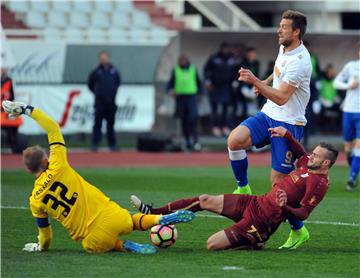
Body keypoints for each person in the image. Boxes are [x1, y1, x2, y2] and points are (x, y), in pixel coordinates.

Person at [2, 100, 195, 254]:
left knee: (90, 245)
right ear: (46, 158)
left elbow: (46, 236)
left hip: (94, 235)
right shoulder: (58, 164)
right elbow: (53, 127)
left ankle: (124, 245)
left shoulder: (35, 200)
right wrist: (26, 109)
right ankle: (159, 219)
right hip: (111, 214)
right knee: (133, 221)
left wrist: (40, 247)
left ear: (28, 170)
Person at [131, 126, 338, 250]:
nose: (311, 156)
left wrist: (286, 208)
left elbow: (303, 213)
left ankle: (253, 243)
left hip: (262, 222)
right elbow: (301, 153)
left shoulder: (318, 184)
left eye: (317, 156)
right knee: (204, 199)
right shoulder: (307, 164)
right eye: (314, 153)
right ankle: (154, 213)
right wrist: (287, 136)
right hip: (256, 202)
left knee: (211, 244)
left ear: (326, 164)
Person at [228, 10, 312, 248]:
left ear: (296, 32)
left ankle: (299, 231)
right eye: (280, 25)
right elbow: (278, 73)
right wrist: (264, 82)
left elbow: (283, 98)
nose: (279, 30)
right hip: (268, 116)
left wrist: (255, 81)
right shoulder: (285, 48)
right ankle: (243, 187)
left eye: (284, 27)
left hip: (288, 125)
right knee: (235, 140)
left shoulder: (300, 62)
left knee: (279, 187)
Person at [333, 45, 360, 191]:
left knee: (359, 146)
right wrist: (349, 85)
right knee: (348, 147)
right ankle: (354, 164)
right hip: (349, 110)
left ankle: (352, 178)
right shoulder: (351, 66)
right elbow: (336, 82)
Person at [167, 55, 203, 151]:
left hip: (191, 97)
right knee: (184, 120)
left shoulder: (192, 69)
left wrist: (200, 93)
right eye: (181, 61)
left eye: (184, 60)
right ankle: (187, 140)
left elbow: (198, 82)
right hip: (180, 97)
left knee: (192, 119)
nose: (182, 62)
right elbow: (170, 83)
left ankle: (195, 141)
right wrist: (170, 91)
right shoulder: (176, 70)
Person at [88, 51, 121, 151]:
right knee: (97, 124)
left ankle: (112, 144)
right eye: (102, 58)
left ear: (108, 58)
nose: (104, 59)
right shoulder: (96, 72)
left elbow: (118, 82)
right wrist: (98, 93)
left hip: (111, 102)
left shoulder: (114, 71)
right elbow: (90, 84)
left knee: (110, 125)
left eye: (105, 57)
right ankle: (95, 144)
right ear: (99, 59)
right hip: (100, 103)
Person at [204, 42, 236, 137]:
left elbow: (236, 71)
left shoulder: (231, 59)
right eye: (224, 48)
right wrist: (208, 82)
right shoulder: (214, 58)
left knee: (225, 109)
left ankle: (225, 126)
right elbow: (206, 70)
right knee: (215, 109)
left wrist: (235, 82)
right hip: (215, 87)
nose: (226, 50)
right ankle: (215, 127)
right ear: (221, 48)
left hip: (226, 87)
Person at [1, 68, 24, 153]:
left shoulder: (9, 80)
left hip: (5, 107)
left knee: (12, 123)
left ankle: (13, 139)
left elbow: (12, 96)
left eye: (4, 69)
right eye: (2, 69)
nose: (3, 71)